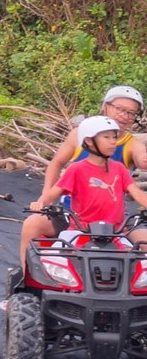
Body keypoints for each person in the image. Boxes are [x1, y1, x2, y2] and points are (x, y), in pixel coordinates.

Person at [19, 85, 146, 255]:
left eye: (131, 113)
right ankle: (28, 276)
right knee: (31, 225)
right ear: (105, 106)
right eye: (120, 109)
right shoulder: (79, 142)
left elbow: (141, 161)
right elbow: (56, 164)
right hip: (72, 216)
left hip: (114, 220)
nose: (124, 116)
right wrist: (44, 199)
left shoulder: (131, 146)